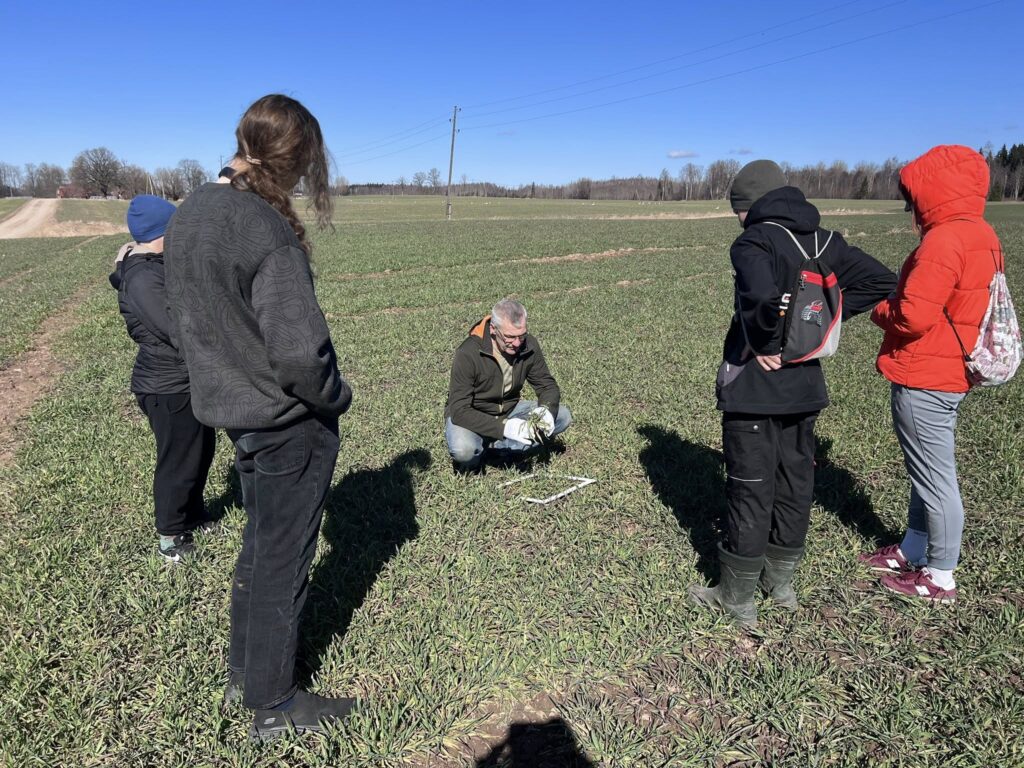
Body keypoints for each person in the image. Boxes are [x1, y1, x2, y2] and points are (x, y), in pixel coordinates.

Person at [164, 94, 356, 740]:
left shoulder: (190, 211)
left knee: (258, 548)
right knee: (281, 559)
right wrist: (335, 396)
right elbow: (302, 355)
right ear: (294, 161)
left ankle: (243, 675)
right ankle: (272, 704)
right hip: (287, 423)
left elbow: (185, 323)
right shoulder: (263, 228)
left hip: (235, 415)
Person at [689, 160, 897, 629]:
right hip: (805, 387)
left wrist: (769, 343)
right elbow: (882, 281)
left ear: (748, 205)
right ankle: (780, 585)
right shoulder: (825, 240)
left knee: (750, 486)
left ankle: (737, 597)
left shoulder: (754, 241)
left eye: (737, 209)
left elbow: (762, 298)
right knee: (795, 482)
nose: (737, 218)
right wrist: (817, 325)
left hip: (754, 388)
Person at [860, 145, 1003, 604]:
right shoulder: (982, 232)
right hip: (951, 368)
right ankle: (913, 548)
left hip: (926, 374)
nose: (910, 208)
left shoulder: (943, 240)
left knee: (936, 478)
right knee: (925, 470)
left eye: (913, 197)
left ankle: (939, 576)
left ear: (932, 192)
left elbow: (913, 316)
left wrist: (880, 309)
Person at [110, 195, 217, 562]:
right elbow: (177, 329)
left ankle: (193, 514)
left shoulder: (158, 265)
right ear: (162, 233)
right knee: (178, 461)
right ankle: (170, 535)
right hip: (165, 385)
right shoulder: (143, 279)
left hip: (184, 379)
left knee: (199, 452)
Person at [445, 298, 572, 473]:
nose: (518, 343)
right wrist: (505, 427)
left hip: (509, 409)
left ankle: (498, 448)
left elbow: (546, 385)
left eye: (522, 335)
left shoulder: (529, 345)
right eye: (510, 337)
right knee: (464, 449)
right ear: (493, 329)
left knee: (562, 416)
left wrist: (545, 411)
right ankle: (487, 448)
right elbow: (459, 410)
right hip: (473, 414)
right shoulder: (468, 352)